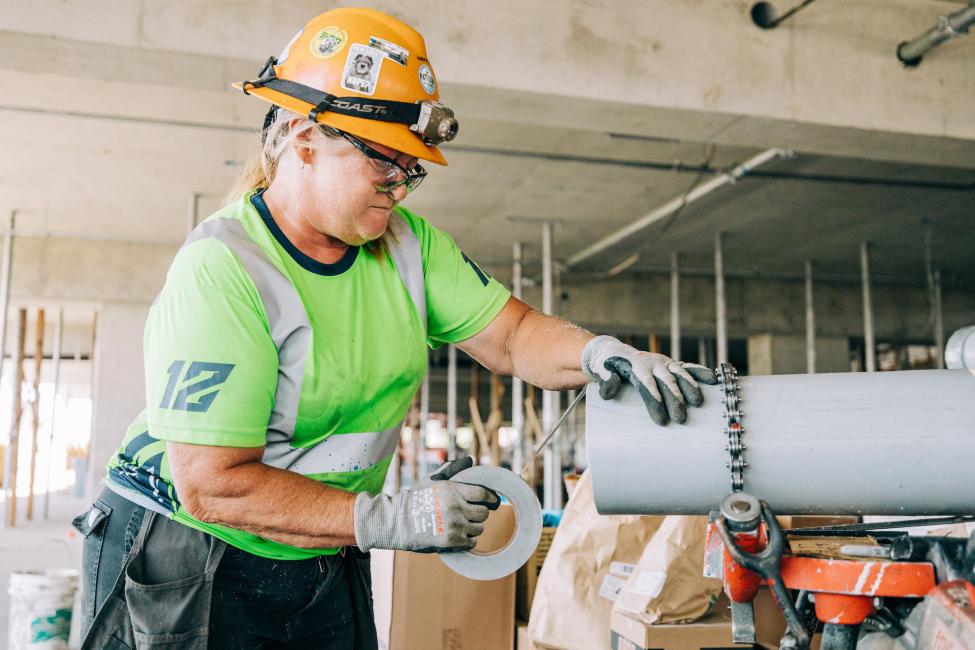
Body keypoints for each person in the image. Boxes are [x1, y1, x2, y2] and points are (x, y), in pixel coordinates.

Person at [73, 7, 716, 649]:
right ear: (304, 140)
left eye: (412, 167)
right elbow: (213, 484)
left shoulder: (408, 247)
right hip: (188, 549)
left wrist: (602, 353)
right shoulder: (225, 269)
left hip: (326, 537)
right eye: (386, 161)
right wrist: (391, 515)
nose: (402, 186)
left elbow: (514, 337)